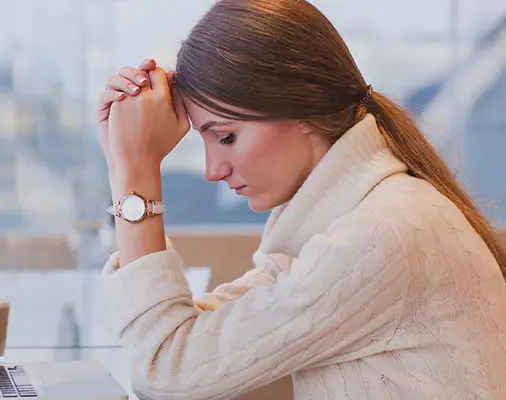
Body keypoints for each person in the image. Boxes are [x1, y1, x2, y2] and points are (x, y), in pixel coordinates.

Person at [95, 1, 506, 399]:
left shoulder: (379, 235)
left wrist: (135, 172)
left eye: (226, 137)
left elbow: (169, 371)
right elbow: (192, 343)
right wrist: (123, 163)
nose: (212, 169)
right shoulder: (338, 219)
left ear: (304, 112)